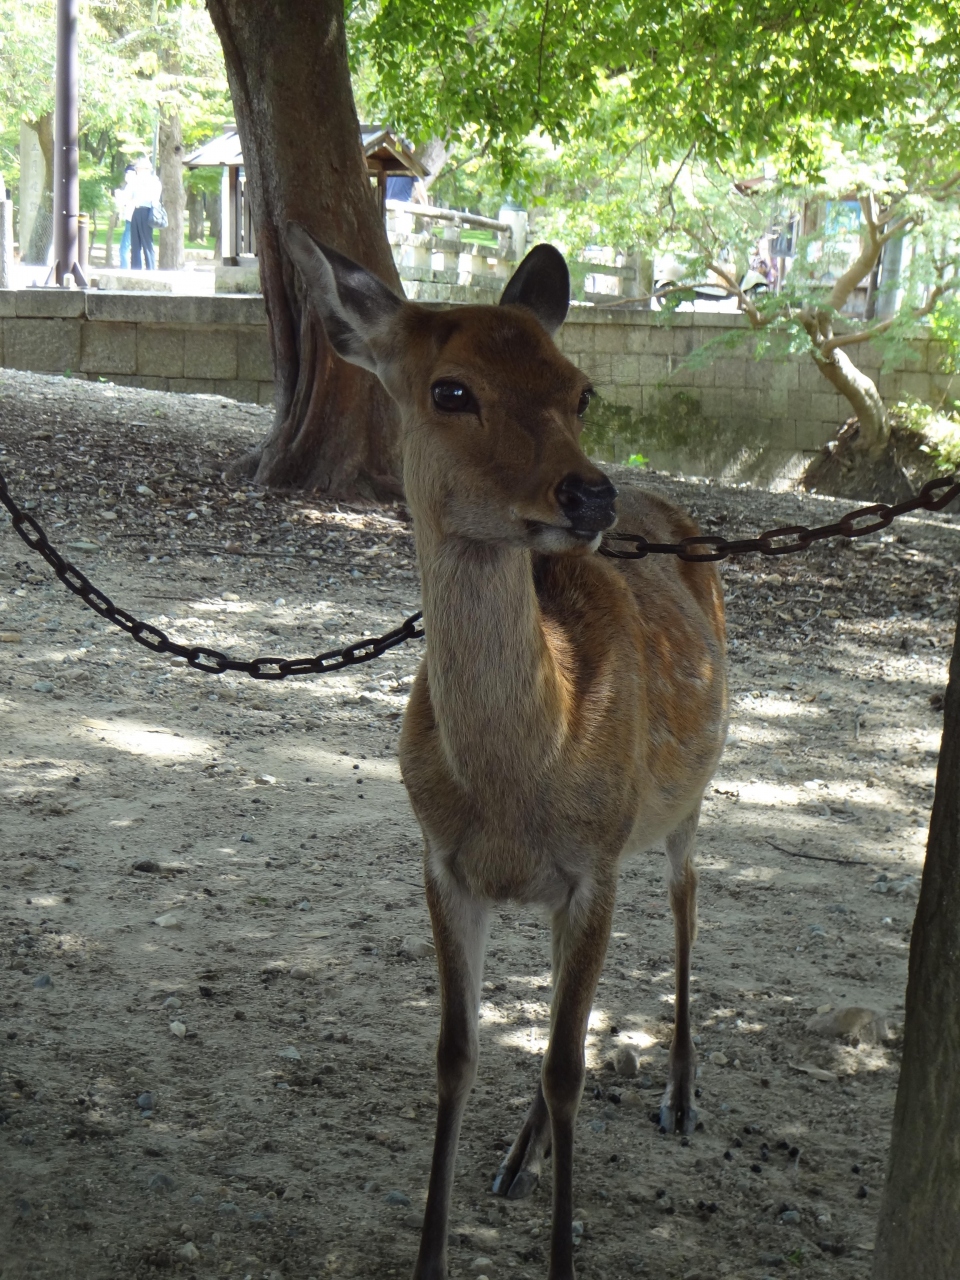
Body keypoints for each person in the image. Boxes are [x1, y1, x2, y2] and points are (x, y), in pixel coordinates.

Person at [129, 158, 162, 270]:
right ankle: (135, 268)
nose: (137, 171)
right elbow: (131, 195)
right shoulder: (135, 181)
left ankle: (150, 268)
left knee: (147, 242)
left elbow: (154, 198)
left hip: (146, 211)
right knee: (135, 243)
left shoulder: (154, 181)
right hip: (136, 210)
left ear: (146, 169)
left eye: (139, 169)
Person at [115, 165, 135, 269]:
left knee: (124, 248)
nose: (126, 175)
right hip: (131, 219)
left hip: (131, 219)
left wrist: (119, 194)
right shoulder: (133, 185)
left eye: (128, 173)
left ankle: (124, 269)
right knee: (127, 247)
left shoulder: (131, 186)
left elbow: (124, 201)